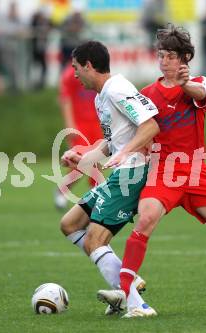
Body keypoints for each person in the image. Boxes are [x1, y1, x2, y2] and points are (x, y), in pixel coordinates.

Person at [97, 24, 206, 314]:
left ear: (185, 58)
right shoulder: (147, 94)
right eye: (161, 55)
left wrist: (184, 84)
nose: (164, 61)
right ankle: (126, 293)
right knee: (145, 220)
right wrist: (94, 153)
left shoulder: (200, 82)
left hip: (197, 173)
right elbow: (130, 132)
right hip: (164, 171)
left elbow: (200, 93)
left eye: (171, 56)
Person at [59, 40, 160, 317]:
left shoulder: (117, 89)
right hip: (122, 170)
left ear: (89, 66)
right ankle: (128, 282)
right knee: (69, 224)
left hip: (133, 172)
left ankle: (136, 304)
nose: (75, 74)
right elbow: (110, 142)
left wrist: (126, 152)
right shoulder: (101, 95)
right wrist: (83, 159)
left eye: (76, 68)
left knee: (94, 241)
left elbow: (151, 125)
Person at [54, 61, 103, 210]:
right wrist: (70, 125)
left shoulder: (97, 71)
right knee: (81, 163)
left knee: (98, 161)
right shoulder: (71, 73)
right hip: (80, 125)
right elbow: (65, 99)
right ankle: (62, 190)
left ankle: (94, 195)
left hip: (97, 123)